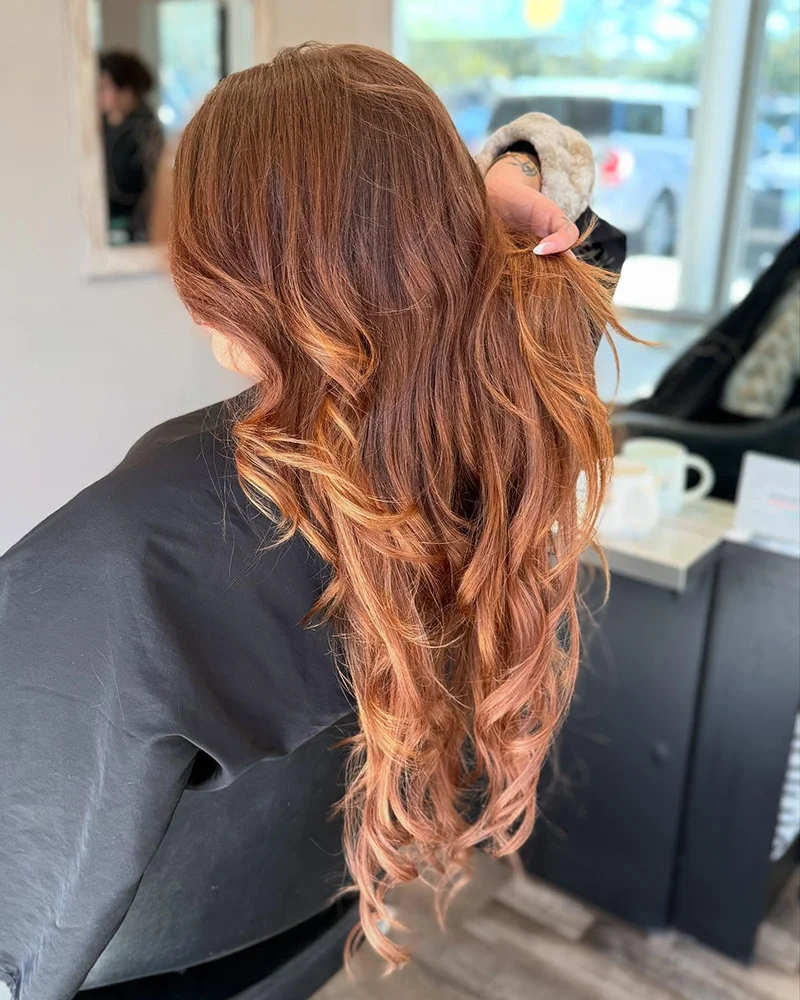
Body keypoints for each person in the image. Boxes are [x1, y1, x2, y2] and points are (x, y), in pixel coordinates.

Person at [0, 45, 627, 1000]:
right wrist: (497, 190)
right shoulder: (498, 419)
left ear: (228, 267)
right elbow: (572, 226)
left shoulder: (136, 543)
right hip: (304, 926)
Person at [98, 51, 164, 243]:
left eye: (105, 87)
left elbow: (138, 188)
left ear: (126, 92)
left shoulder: (145, 130)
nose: (100, 94)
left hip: (135, 230)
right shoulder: (104, 125)